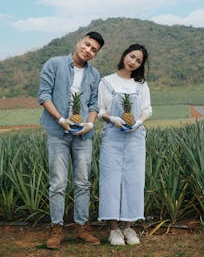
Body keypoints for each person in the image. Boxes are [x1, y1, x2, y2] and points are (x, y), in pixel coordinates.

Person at [38, 31, 105, 249]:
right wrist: (60, 120)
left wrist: (90, 123)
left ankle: (82, 227)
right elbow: (44, 96)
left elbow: (94, 104)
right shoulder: (54, 64)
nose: (88, 50)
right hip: (58, 132)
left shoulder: (94, 75)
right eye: (87, 45)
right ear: (79, 42)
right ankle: (56, 229)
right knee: (58, 182)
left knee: (83, 182)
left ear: (96, 54)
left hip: (83, 135)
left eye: (94, 49)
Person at [97, 43, 152, 245]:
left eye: (138, 60)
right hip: (112, 137)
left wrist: (138, 121)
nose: (133, 62)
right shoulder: (107, 82)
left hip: (136, 138)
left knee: (134, 181)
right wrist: (113, 119)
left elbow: (147, 109)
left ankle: (128, 227)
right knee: (110, 182)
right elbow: (101, 110)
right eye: (132, 56)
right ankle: (113, 230)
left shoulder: (141, 85)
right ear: (124, 55)